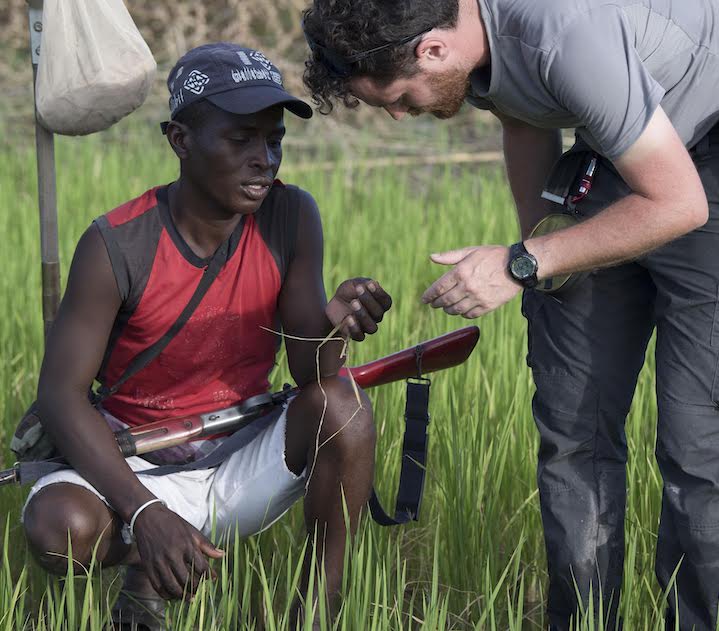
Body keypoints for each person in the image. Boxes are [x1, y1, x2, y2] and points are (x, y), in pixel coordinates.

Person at [302, 1, 719, 629]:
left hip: (703, 158)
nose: (396, 112)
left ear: (432, 50)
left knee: (696, 445)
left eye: (396, 96)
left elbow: (679, 203)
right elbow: (523, 115)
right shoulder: (465, 41)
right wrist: (542, 252)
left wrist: (519, 263)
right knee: (571, 429)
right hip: (617, 146)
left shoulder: (560, 34)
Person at [21, 43, 392, 630]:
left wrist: (334, 324)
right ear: (181, 140)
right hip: (134, 459)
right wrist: (145, 512)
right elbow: (60, 396)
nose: (264, 159)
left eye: (273, 140)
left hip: (238, 450)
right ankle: (143, 570)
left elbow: (311, 374)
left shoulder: (291, 216)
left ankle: (316, 613)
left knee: (343, 406)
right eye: (241, 139)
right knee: (59, 527)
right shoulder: (117, 243)